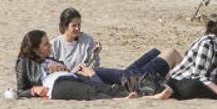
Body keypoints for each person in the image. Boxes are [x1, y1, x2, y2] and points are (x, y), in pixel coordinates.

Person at [48, 8, 179, 87]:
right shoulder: (55, 44)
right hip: (86, 78)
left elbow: (95, 66)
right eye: (74, 26)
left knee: (155, 52)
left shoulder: (86, 39)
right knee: (129, 75)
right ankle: (175, 76)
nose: (77, 29)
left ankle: (168, 74)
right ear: (65, 26)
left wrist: (95, 55)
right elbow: (53, 71)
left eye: (79, 25)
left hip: (95, 73)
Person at [153, 13, 217, 100]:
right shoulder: (207, 44)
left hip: (211, 82)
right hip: (185, 80)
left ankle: (213, 94)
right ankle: (215, 95)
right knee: (193, 87)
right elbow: (198, 75)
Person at [14, 30, 125, 100]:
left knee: (107, 87)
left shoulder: (50, 59)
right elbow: (20, 91)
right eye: (45, 44)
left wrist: (67, 68)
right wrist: (34, 90)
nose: (50, 46)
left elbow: (69, 70)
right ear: (35, 49)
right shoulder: (24, 62)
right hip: (56, 84)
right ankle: (122, 99)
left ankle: (129, 95)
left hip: (71, 77)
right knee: (89, 91)